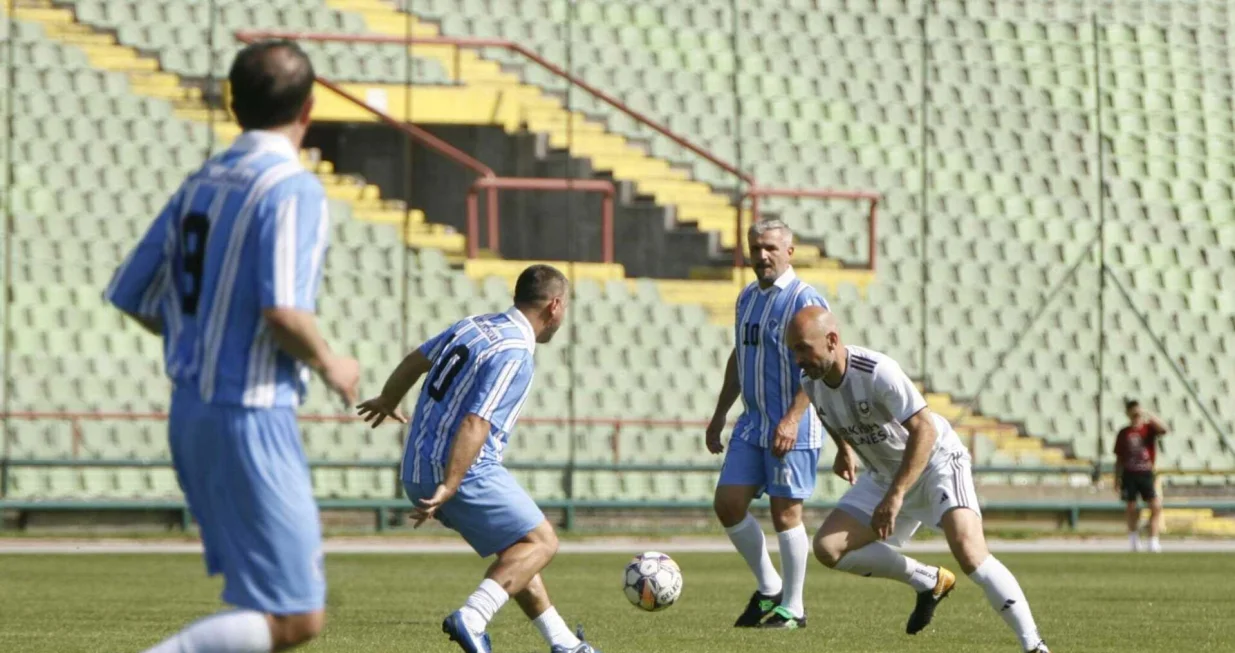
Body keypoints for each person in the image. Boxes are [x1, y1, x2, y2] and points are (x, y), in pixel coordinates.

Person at [106, 41, 361, 652]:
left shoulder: (201, 180)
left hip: (190, 410)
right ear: (309, 108)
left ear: (232, 103)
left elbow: (132, 293)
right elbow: (282, 311)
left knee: (257, 602)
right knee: (297, 615)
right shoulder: (291, 189)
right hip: (250, 414)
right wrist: (333, 364)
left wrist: (203, 339)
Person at [357, 264, 598, 653]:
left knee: (518, 552)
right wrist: (450, 485)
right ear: (554, 306)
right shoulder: (516, 351)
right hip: (461, 469)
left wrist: (388, 399)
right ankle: (472, 616)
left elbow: (416, 360)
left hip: (416, 467)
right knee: (543, 542)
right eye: (565, 307)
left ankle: (564, 643)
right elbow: (476, 421)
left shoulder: (473, 325)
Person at [784, 307, 1050, 653]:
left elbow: (923, 428)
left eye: (803, 348)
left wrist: (896, 496)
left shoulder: (877, 371)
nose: (798, 359)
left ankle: (1034, 647)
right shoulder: (812, 382)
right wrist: (843, 449)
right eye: (794, 351)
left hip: (936, 461)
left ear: (832, 340)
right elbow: (832, 417)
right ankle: (928, 581)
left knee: (970, 552)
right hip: (885, 474)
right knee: (827, 549)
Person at [705, 219, 829, 629]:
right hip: (753, 423)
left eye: (771, 248)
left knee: (785, 514)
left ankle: (794, 608)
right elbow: (740, 356)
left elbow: (819, 366)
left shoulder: (805, 300)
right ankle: (770, 586)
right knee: (728, 503)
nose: (762, 255)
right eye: (755, 248)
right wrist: (720, 412)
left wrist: (792, 418)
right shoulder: (746, 298)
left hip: (791, 425)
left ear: (789, 251)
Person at [1114, 398, 1168, 553]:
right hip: (1130, 473)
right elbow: (1119, 457)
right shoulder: (1124, 433)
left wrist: (1149, 414)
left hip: (1146, 472)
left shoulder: (1148, 430)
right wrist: (1117, 478)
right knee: (1131, 506)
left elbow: (1164, 429)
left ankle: (1153, 540)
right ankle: (1133, 539)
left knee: (1155, 506)